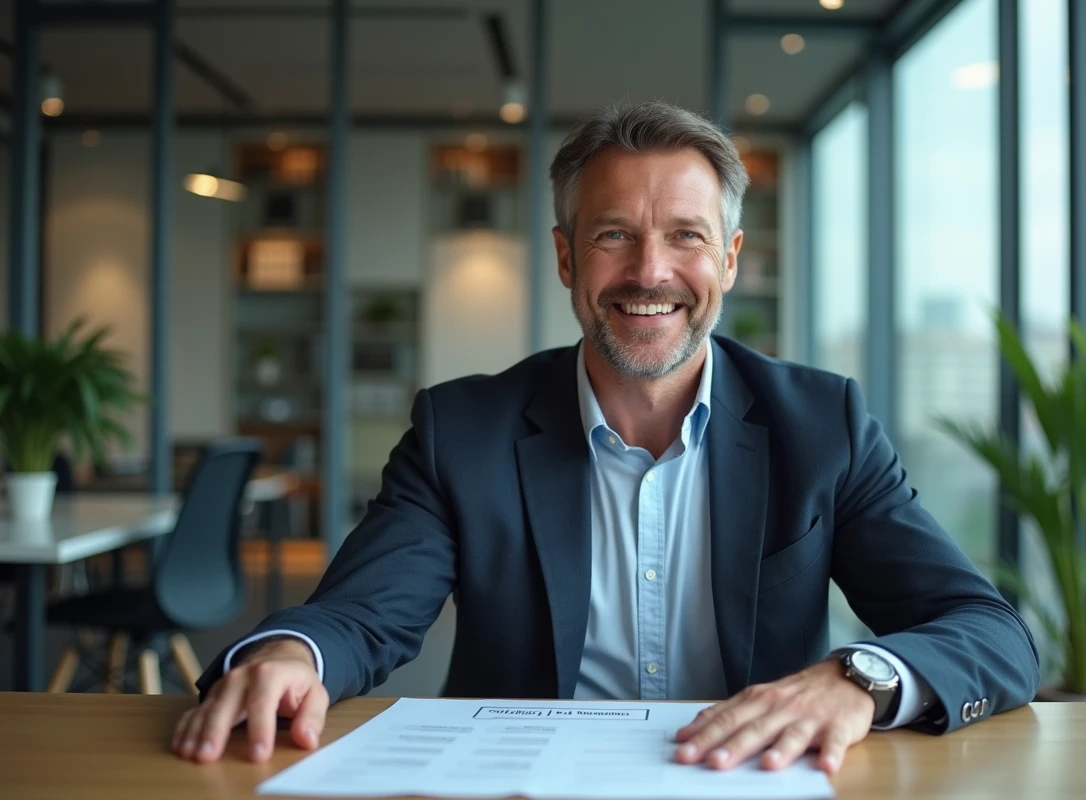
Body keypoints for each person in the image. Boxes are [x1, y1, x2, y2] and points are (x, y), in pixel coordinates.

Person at [173, 101, 1039, 773]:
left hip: (749, 780)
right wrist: (292, 650)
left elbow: (988, 632)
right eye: (614, 236)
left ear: (730, 259)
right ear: (565, 258)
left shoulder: (824, 426)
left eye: (686, 237)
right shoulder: (461, 430)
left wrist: (860, 679)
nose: (651, 272)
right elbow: (362, 616)